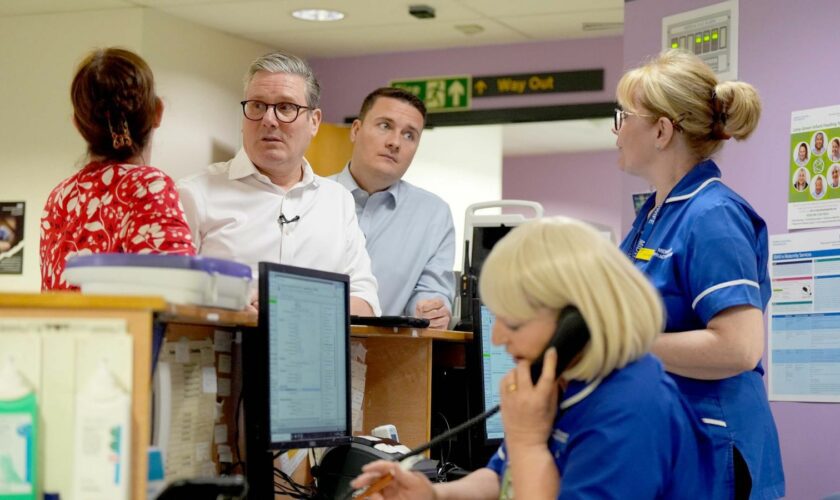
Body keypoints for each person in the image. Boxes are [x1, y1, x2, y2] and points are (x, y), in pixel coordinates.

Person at [351, 217, 716, 499]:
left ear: (576, 322)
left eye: (512, 322)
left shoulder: (630, 410)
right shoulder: (566, 380)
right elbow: (501, 476)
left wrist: (527, 441)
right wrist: (433, 493)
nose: (496, 337)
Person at [614, 49, 784, 498]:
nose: (616, 131)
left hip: (714, 448)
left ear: (662, 131)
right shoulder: (656, 213)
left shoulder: (713, 214)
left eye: (624, 116)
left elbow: (739, 347)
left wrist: (622, 347)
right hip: (671, 439)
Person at [177, 51, 380, 315]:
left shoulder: (337, 201)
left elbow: (366, 303)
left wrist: (291, 304)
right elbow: (168, 295)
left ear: (314, 122)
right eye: (257, 106)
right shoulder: (195, 193)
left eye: (286, 108)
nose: (269, 120)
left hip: (317, 353)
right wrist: (231, 301)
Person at [40, 48, 194, 290]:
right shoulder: (149, 186)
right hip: (128, 329)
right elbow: (179, 292)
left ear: (78, 126)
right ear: (158, 112)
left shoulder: (60, 197)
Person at [332, 88, 455, 328]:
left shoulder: (434, 215)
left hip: (389, 357)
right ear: (356, 130)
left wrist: (432, 310)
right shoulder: (311, 196)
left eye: (409, 135)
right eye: (385, 126)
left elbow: (431, 293)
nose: (395, 142)